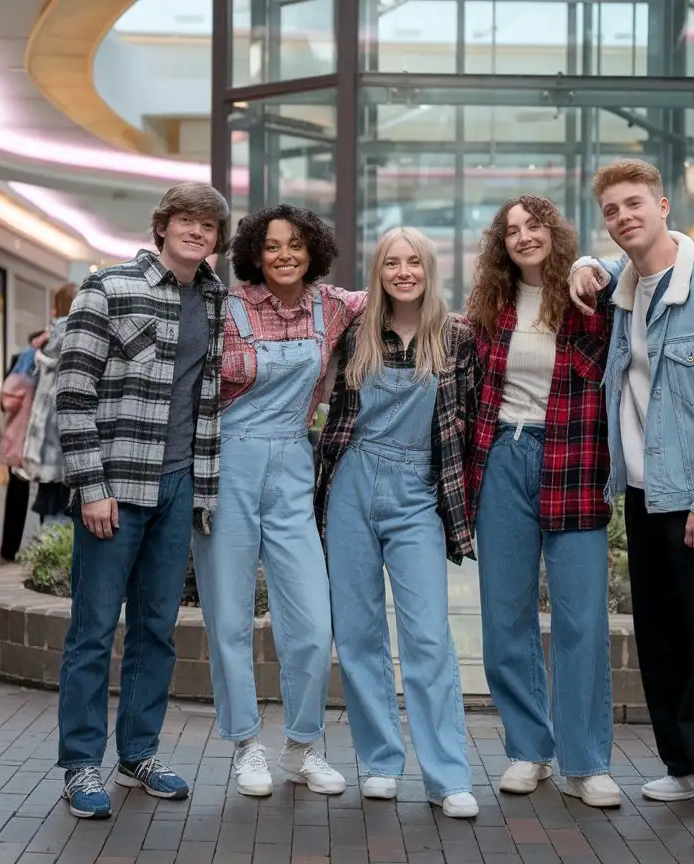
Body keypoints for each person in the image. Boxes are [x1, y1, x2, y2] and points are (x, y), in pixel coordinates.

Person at [571, 158, 694, 849]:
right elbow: (599, 278)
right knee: (660, 638)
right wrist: (586, 263)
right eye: (611, 211)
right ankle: (683, 765)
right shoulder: (628, 287)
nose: (623, 217)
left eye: (633, 205)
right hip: (645, 493)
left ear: (662, 205)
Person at [54, 182, 230, 819]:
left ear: (216, 238)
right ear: (162, 227)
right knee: (93, 632)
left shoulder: (213, 300)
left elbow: (205, 400)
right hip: (117, 489)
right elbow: (72, 396)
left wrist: (202, 489)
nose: (196, 231)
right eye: (185, 220)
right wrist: (92, 486)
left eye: (208, 225)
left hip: (179, 485)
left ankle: (137, 754)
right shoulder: (109, 288)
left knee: (157, 630)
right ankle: (79, 765)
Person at [191, 204, 366, 798]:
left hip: (294, 461)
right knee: (230, 617)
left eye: (295, 244)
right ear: (253, 253)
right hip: (228, 464)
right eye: (272, 246)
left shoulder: (335, 306)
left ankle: (301, 745)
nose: (285, 255)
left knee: (314, 623)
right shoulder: (225, 307)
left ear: (313, 249)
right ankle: (245, 745)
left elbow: (410, 295)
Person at [315, 228, 479, 819]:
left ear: (430, 269)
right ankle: (380, 762)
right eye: (392, 262)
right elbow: (303, 287)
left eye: (414, 262)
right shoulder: (354, 330)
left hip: (417, 495)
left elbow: (473, 419)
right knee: (358, 635)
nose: (404, 271)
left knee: (429, 636)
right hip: (352, 482)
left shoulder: (457, 335)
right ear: (377, 271)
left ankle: (448, 776)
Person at [464, 195, 620, 808]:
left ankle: (586, 762)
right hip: (504, 455)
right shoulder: (491, 306)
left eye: (534, 226)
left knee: (582, 618)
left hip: (575, 460)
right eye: (511, 231)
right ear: (500, 245)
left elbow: (629, 269)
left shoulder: (589, 295)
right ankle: (529, 750)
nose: (524, 237)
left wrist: (590, 260)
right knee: (506, 616)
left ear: (554, 231)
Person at [22, 284, 78, 524]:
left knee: (51, 516)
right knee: (65, 518)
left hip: (45, 442)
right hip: (65, 442)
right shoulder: (76, 332)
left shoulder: (50, 336)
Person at [0, 329, 49, 561]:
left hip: (22, 437)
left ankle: (9, 549)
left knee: (20, 494)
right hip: (39, 437)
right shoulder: (45, 360)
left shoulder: (20, 363)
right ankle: (46, 547)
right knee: (46, 492)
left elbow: (5, 403)